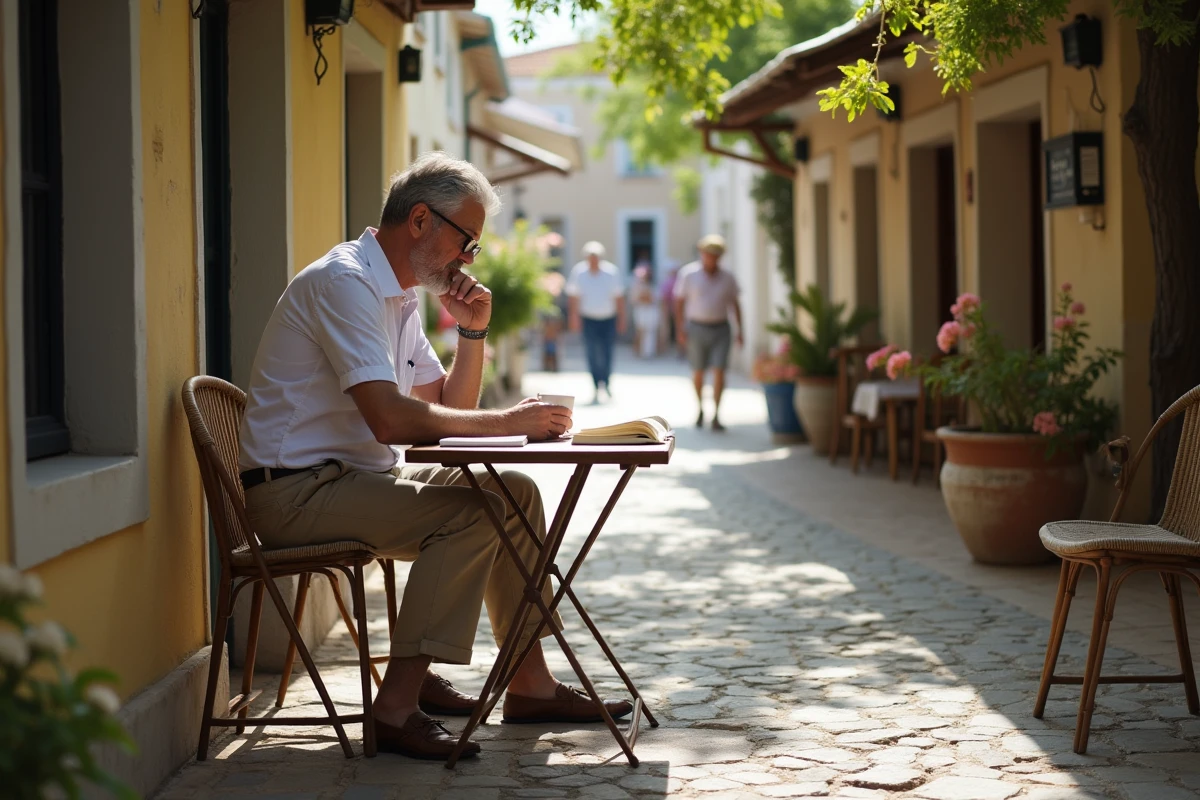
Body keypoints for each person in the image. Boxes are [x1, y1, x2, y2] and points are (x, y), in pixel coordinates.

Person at [238, 153, 631, 762]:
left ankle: (529, 683)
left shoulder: (397, 295)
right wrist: (509, 421)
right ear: (420, 220)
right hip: (294, 493)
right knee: (470, 514)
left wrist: (472, 332)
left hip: (355, 479)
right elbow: (391, 419)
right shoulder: (346, 283)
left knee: (513, 492)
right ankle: (395, 709)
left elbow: (448, 409)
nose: (469, 258)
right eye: (466, 240)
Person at [674, 234, 744, 431]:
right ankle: (700, 408)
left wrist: (740, 330)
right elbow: (679, 302)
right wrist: (680, 328)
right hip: (696, 327)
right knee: (698, 371)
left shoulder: (728, 278)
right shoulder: (689, 275)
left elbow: (735, 304)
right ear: (702, 254)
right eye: (708, 253)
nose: (712, 258)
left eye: (716, 254)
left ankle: (716, 414)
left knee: (719, 370)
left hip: (721, 328)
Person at [566, 241, 626, 403]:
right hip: (588, 319)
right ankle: (595, 384)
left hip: (608, 319)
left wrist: (621, 319)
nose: (593, 261)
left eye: (596, 257)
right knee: (591, 353)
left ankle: (606, 382)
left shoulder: (611, 272)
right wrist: (573, 318)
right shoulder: (579, 272)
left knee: (607, 352)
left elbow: (619, 298)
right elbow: (574, 297)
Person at [629, 263, 659, 359]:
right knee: (640, 331)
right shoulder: (635, 286)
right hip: (640, 310)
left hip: (650, 311)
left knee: (650, 331)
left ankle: (648, 352)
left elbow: (653, 299)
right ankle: (639, 351)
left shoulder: (652, 285)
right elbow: (635, 299)